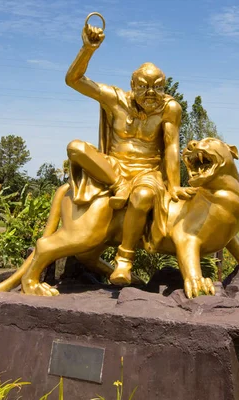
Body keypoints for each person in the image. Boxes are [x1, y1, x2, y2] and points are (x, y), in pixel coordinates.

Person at [64, 21, 195, 285]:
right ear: (132, 85)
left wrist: (174, 186)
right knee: (75, 147)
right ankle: (119, 185)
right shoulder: (115, 98)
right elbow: (73, 80)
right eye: (144, 86)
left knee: (144, 195)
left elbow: (171, 146)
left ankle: (124, 262)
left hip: (147, 173)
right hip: (113, 168)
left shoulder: (169, 108)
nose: (151, 93)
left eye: (157, 86)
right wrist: (87, 49)